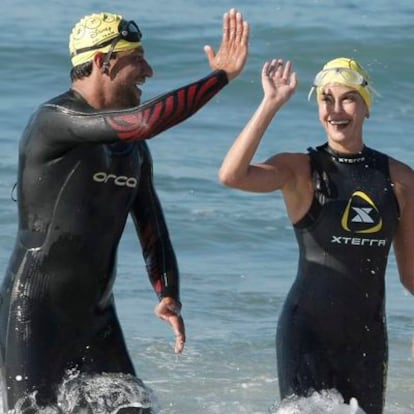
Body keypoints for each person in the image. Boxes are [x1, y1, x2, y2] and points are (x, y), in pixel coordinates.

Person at [0, 9, 249, 412]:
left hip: (97, 316)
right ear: (103, 62)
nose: (149, 71)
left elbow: (152, 225)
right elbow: (144, 120)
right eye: (138, 58)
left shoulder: (133, 149)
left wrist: (167, 291)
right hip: (35, 313)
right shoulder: (53, 121)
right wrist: (218, 77)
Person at [218, 57, 414, 413]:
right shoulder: (301, 170)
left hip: (367, 340)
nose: (335, 110)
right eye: (326, 99)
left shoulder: (401, 180)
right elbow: (232, 175)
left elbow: (411, 275)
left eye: (348, 98)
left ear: (366, 107)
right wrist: (271, 104)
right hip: (306, 333)